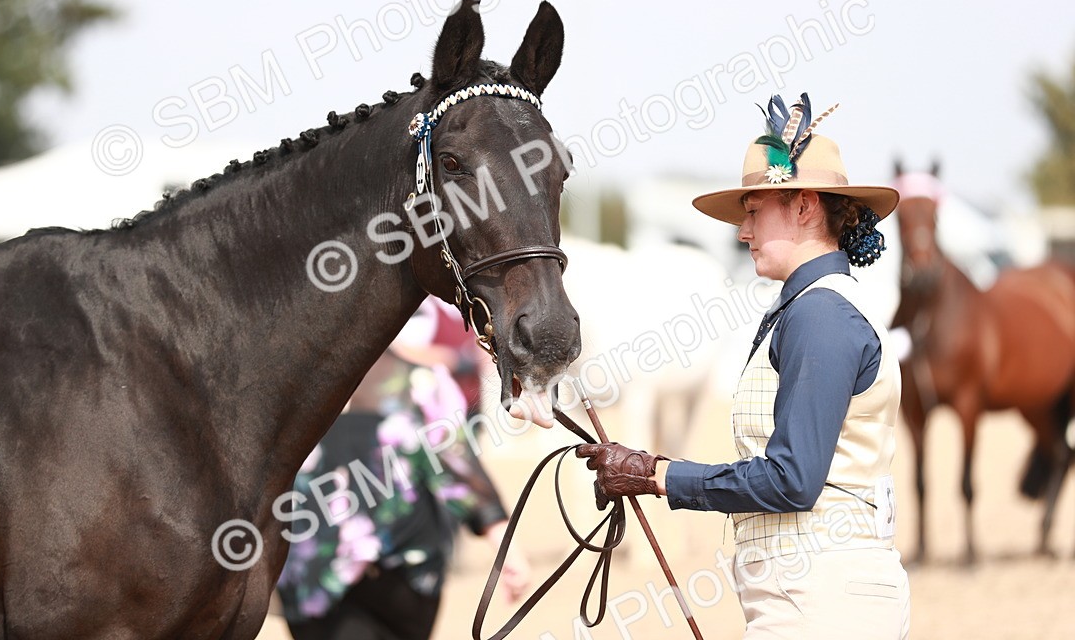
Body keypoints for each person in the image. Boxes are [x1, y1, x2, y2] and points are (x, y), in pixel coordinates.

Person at [576, 94, 911, 639]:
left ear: (804, 206)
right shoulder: (810, 307)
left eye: (754, 211)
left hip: (822, 598)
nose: (742, 231)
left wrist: (657, 475)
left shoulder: (821, 315)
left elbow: (792, 479)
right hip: (813, 591)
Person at [275, 297, 530, 640]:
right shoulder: (421, 382)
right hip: (404, 576)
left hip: (313, 577)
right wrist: (507, 550)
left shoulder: (285, 386)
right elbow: (457, 467)